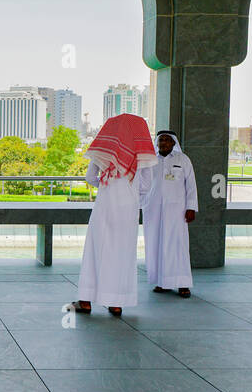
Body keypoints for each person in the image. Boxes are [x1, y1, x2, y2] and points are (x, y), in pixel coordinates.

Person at [73, 113, 158, 317]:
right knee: (122, 253)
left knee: (96, 251)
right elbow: (147, 185)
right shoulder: (142, 155)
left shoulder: (103, 151)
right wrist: (130, 191)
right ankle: (116, 302)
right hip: (127, 209)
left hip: (104, 205)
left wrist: (107, 186)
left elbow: (90, 177)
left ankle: (85, 300)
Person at [142, 130, 198, 298]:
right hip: (153, 211)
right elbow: (142, 185)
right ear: (157, 142)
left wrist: (191, 207)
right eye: (161, 140)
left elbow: (191, 186)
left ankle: (183, 284)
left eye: (168, 140)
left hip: (177, 211)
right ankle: (163, 282)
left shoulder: (183, 159)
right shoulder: (150, 161)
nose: (164, 143)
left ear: (174, 143)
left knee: (178, 246)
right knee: (156, 245)